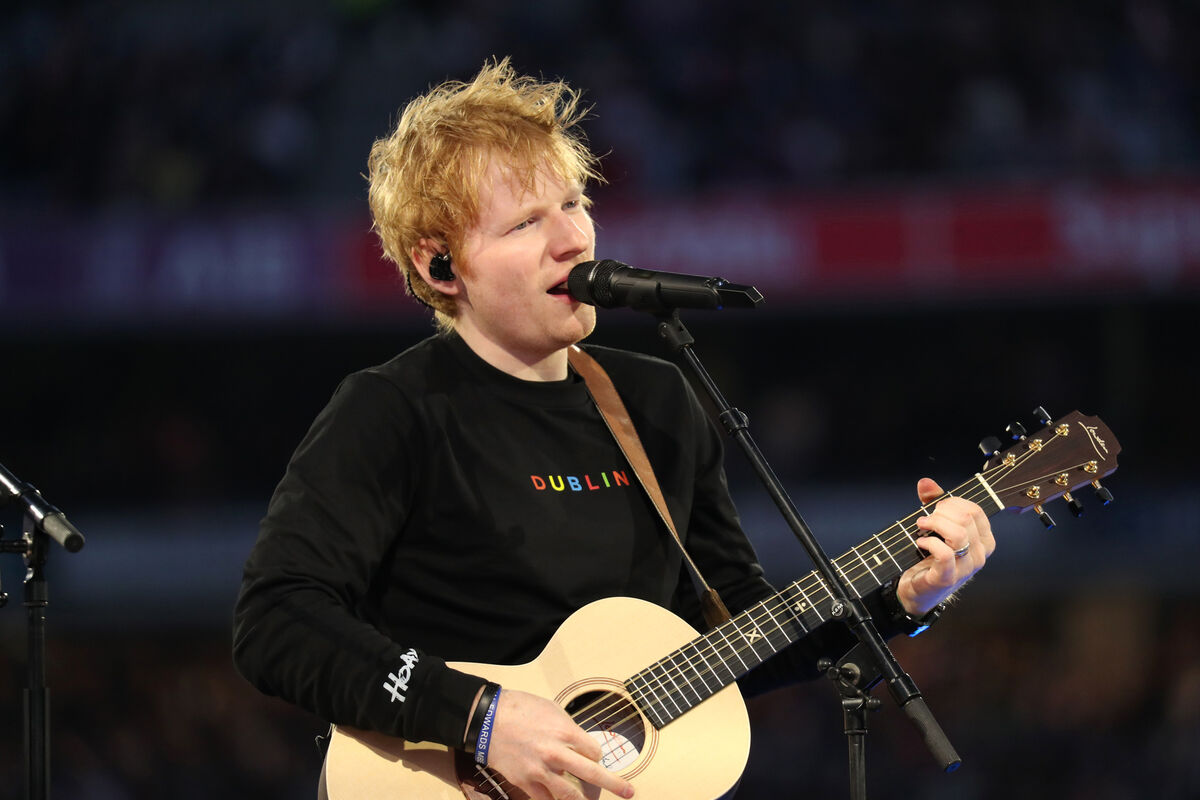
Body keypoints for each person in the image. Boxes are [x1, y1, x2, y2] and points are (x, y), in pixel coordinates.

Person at [232, 58, 995, 800]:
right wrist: (481, 719)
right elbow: (276, 621)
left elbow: (741, 641)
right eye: (526, 222)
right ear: (440, 266)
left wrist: (906, 597)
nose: (572, 238)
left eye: (573, 203)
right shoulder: (391, 410)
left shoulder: (656, 402)